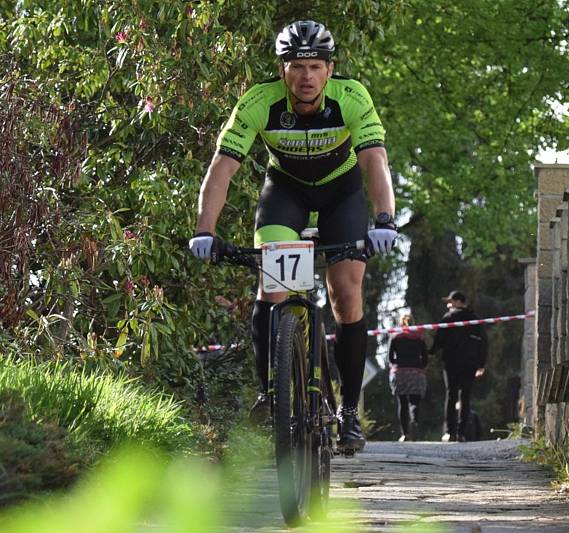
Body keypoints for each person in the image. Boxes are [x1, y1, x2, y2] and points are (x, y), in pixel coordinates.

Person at [188, 20, 397, 454]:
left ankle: (348, 412)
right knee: (274, 289)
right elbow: (222, 168)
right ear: (282, 70)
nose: (306, 76)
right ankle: (271, 393)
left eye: (315, 66)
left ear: (330, 68)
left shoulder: (351, 97)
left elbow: (375, 161)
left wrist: (385, 220)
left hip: (342, 195)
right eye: (296, 66)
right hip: (286, 193)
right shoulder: (259, 102)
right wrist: (205, 230)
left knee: (345, 291)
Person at [432, 290, 487, 442]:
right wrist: (481, 363)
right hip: (470, 363)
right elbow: (483, 342)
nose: (448, 305)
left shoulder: (448, 318)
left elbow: (438, 339)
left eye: (450, 302)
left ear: (458, 302)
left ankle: (450, 432)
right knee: (466, 396)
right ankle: (462, 433)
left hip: (451, 363)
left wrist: (430, 352)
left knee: (451, 395)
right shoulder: (474, 319)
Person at [387, 314, 427, 442]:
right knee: (414, 402)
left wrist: (395, 365)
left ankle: (405, 434)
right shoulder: (419, 337)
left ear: (401, 323)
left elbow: (390, 357)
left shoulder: (395, 336)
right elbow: (425, 358)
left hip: (400, 372)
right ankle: (414, 421)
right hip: (416, 371)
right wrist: (420, 366)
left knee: (402, 403)